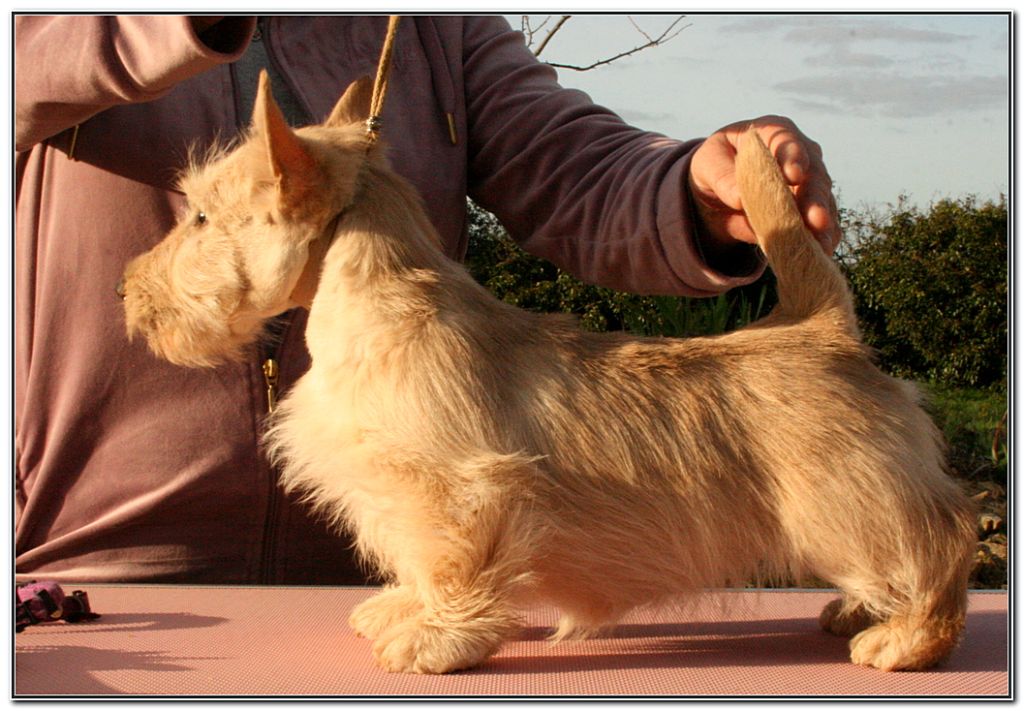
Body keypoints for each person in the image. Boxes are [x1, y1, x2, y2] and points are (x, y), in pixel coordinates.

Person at [15, 15, 839, 584]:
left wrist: (693, 188)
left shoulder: (433, 27)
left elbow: (570, 165)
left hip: (405, 567)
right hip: (101, 555)